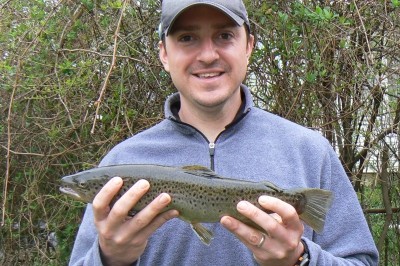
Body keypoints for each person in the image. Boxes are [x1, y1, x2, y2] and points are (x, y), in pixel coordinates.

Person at [68, 0, 379, 265]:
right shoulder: (122, 161)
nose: (207, 55)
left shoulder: (310, 151)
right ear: (164, 53)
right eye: (187, 38)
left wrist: (300, 258)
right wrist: (109, 258)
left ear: (249, 46)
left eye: (225, 36)